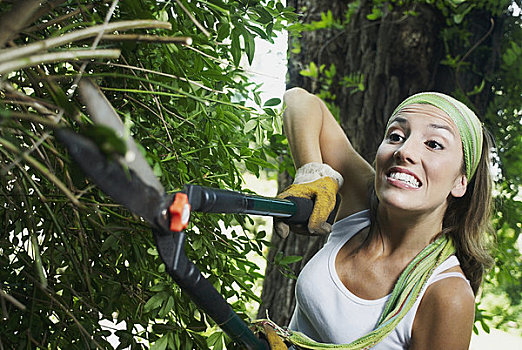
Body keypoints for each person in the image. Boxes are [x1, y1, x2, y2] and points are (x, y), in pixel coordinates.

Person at [274, 87, 495, 349]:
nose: (404, 151)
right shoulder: (362, 206)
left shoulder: (448, 295)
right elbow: (298, 100)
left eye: (433, 144)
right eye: (396, 136)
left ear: (460, 183)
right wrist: (312, 173)